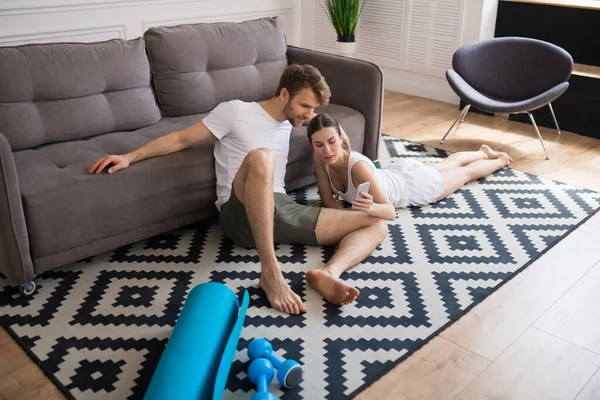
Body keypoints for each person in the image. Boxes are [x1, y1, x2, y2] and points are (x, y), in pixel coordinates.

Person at [88, 65, 388, 314]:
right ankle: (271, 274)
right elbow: (180, 139)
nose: (308, 114)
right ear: (284, 94)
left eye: (313, 109)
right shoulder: (235, 111)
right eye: (304, 106)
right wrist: (129, 156)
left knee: (378, 223)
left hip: (281, 209)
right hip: (239, 212)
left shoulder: (295, 123)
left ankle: (328, 273)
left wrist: (338, 133)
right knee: (262, 156)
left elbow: (327, 132)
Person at [307, 113, 513, 220]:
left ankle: (500, 160)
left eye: (332, 142)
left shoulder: (357, 167)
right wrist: (349, 216)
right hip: (397, 172)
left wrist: (370, 208)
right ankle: (482, 152)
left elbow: (389, 211)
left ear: (341, 139)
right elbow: (327, 200)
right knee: (446, 163)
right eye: (319, 145)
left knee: (465, 173)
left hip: (416, 187)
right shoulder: (321, 159)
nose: (327, 151)